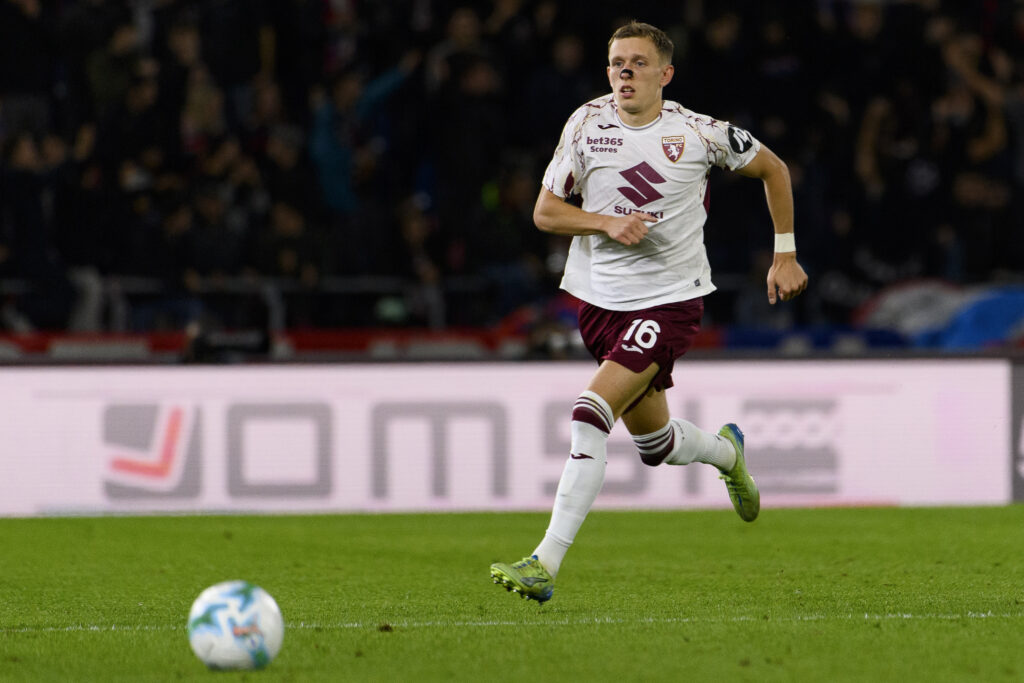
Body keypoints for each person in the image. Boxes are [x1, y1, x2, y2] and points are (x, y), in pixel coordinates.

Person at [490, 21, 808, 603]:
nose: (624, 73)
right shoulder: (586, 124)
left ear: (665, 74)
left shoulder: (699, 134)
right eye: (616, 63)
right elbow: (544, 212)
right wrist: (603, 221)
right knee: (655, 445)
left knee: (590, 413)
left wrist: (784, 254)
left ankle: (544, 563)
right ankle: (728, 454)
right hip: (600, 301)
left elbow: (775, 170)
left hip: (670, 300)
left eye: (637, 63)